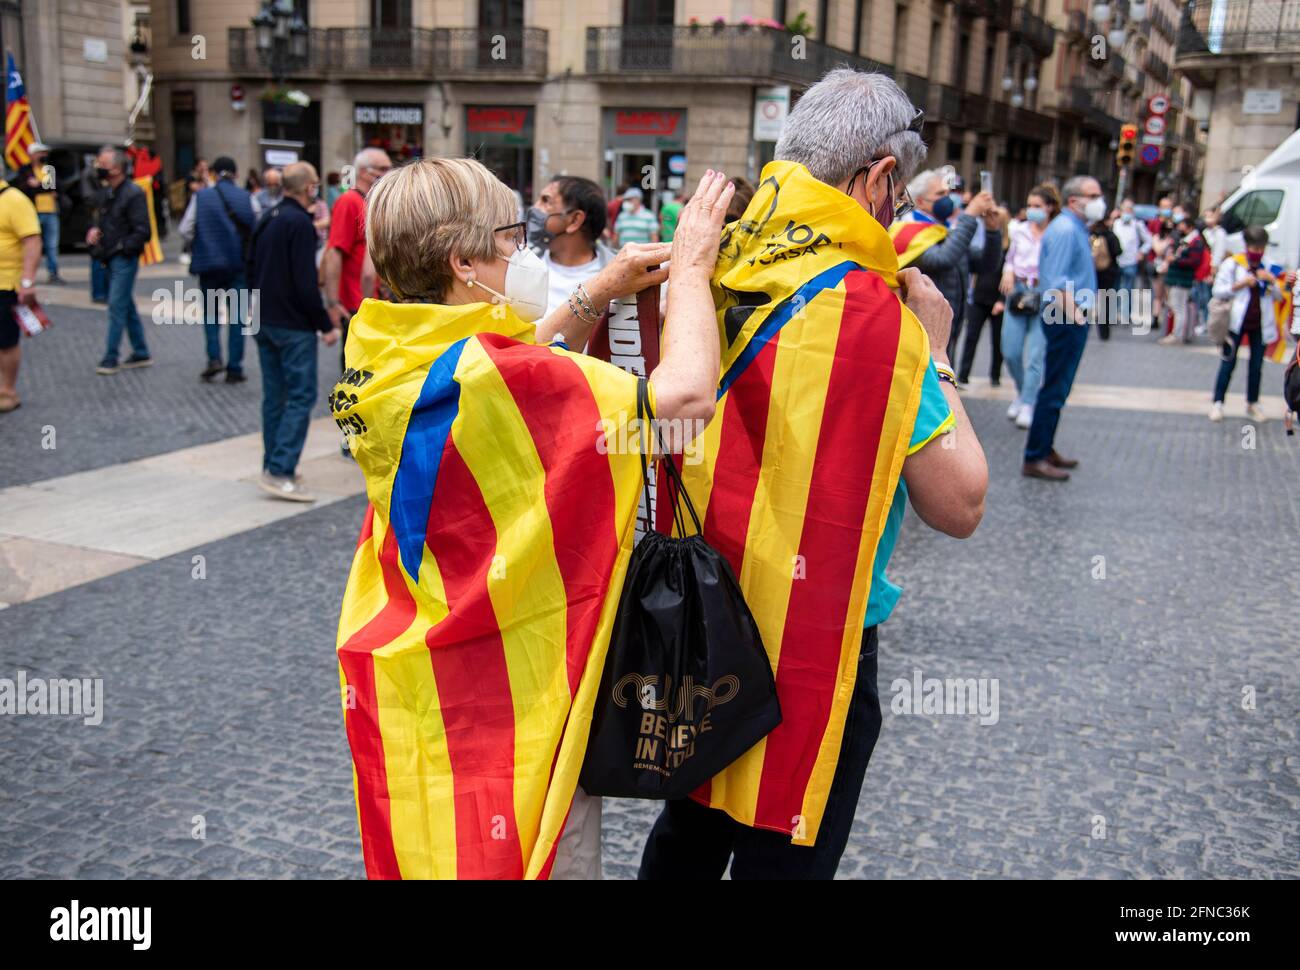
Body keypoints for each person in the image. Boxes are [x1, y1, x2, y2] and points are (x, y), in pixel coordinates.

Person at [334, 157, 726, 880]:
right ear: (462, 261)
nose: (525, 253)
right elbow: (683, 400)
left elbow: (509, 371)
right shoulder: (491, 375)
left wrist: (598, 293)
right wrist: (695, 268)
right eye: (511, 239)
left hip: (411, 660)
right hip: (508, 688)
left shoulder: (381, 344)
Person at [639, 68, 988, 880]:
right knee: (784, 849)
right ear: (877, 179)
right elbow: (960, 502)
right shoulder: (886, 324)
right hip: (819, 643)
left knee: (687, 840)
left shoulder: (705, 264)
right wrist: (937, 353)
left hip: (696, 616)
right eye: (897, 193)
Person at [246, 162, 335, 502]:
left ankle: (273, 464)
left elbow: (250, 266)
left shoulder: (267, 217)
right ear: (308, 188)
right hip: (292, 325)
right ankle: (281, 470)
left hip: (264, 319)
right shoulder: (300, 223)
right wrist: (324, 324)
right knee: (299, 396)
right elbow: (304, 282)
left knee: (275, 397)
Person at [1022, 175, 1104, 481]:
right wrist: (1078, 317)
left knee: (1059, 386)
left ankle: (1045, 448)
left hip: (1068, 316)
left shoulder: (1073, 228)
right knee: (1055, 387)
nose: (1099, 200)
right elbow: (1055, 283)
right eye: (1093, 195)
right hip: (1064, 317)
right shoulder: (1067, 230)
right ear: (1074, 200)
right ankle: (1035, 455)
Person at [890, 167, 994, 362]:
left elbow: (983, 265)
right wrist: (969, 216)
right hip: (921, 331)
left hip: (945, 327)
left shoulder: (942, 230)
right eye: (940, 194)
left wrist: (993, 232)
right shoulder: (909, 231)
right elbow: (942, 259)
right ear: (920, 201)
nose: (948, 198)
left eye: (948, 193)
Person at [179, 155, 255, 382]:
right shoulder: (246, 197)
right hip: (238, 265)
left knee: (211, 314)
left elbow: (185, 229)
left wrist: (200, 243)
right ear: (236, 174)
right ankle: (235, 367)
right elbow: (256, 228)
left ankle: (214, 358)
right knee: (238, 317)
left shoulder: (201, 197)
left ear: (214, 172)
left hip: (209, 264)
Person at [323, 147, 392, 370]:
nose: (388, 173)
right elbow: (334, 252)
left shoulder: (369, 202)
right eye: (382, 169)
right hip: (356, 303)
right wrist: (333, 302)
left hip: (371, 302)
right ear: (363, 171)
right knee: (354, 372)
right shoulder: (349, 201)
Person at [1209, 226, 1285, 423]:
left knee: (1256, 366)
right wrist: (1240, 284)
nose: (1258, 252)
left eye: (1261, 248)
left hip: (1260, 323)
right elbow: (1218, 291)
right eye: (1255, 248)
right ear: (1247, 246)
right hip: (1235, 322)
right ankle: (1218, 402)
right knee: (1228, 362)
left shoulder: (1269, 266)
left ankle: (1253, 403)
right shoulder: (1233, 264)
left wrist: (1271, 282)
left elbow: (1279, 296)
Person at [88, 146, 153, 375]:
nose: (98, 168)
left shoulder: (133, 193)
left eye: (102, 164)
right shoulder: (108, 193)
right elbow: (104, 221)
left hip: (123, 257)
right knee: (126, 304)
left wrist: (123, 247)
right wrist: (95, 231)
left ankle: (111, 356)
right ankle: (141, 350)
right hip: (111, 255)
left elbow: (143, 230)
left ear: (116, 168)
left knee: (116, 304)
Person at [999, 184, 1059, 429]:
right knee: (1010, 351)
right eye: (1030, 205)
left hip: (1046, 294)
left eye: (1038, 206)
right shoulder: (1020, 230)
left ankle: (1028, 402)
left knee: (1036, 355)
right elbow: (1010, 258)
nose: (1032, 210)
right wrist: (1008, 271)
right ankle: (1023, 393)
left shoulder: (1056, 233)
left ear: (1050, 207)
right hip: (1020, 292)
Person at [527, 175, 616, 316]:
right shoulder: (523, 264)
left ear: (574, 220)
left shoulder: (616, 278)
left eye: (546, 201)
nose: (534, 208)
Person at [0, 177, 41, 412]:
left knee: (5, 341)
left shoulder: (14, 200)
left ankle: (7, 390)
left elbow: (33, 241)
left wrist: (27, 281)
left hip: (6, 284)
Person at [958, 204, 1006, 384]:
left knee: (997, 340)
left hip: (997, 297)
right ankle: (963, 374)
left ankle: (995, 376)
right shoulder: (981, 242)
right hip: (978, 296)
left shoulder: (1006, 246)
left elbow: (1007, 275)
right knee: (971, 336)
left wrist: (1002, 299)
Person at [9, 141, 64, 285]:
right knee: (31, 244)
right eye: (40, 152)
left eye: (44, 152)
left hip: (51, 212)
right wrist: (44, 188)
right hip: (33, 212)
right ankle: (27, 274)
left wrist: (37, 186)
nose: (43, 155)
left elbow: (55, 188)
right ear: (32, 155)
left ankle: (53, 273)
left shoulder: (49, 169)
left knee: (52, 245)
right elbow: (25, 189)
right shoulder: (25, 170)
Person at [1158, 214, 1205, 345]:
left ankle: (1178, 335)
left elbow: (1193, 261)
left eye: (1182, 226)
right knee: (1177, 306)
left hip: (1182, 279)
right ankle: (1179, 333)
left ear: (1189, 227)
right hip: (1177, 278)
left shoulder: (1195, 241)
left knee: (1179, 307)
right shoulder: (1187, 240)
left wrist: (1176, 260)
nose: (1179, 228)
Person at [1112, 199, 1151, 318]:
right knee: (1115, 288)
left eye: (1129, 209)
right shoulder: (1116, 223)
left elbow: (1149, 241)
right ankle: (1113, 313)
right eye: (1125, 209)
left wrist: (1141, 252)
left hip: (1131, 261)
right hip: (1117, 260)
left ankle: (1125, 314)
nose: (1127, 212)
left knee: (1127, 289)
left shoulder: (1138, 225)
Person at [1090, 210, 1123, 341]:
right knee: (1106, 301)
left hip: (1092, 272)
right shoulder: (1110, 235)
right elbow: (1118, 251)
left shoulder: (1090, 234)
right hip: (1108, 273)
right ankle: (1104, 331)